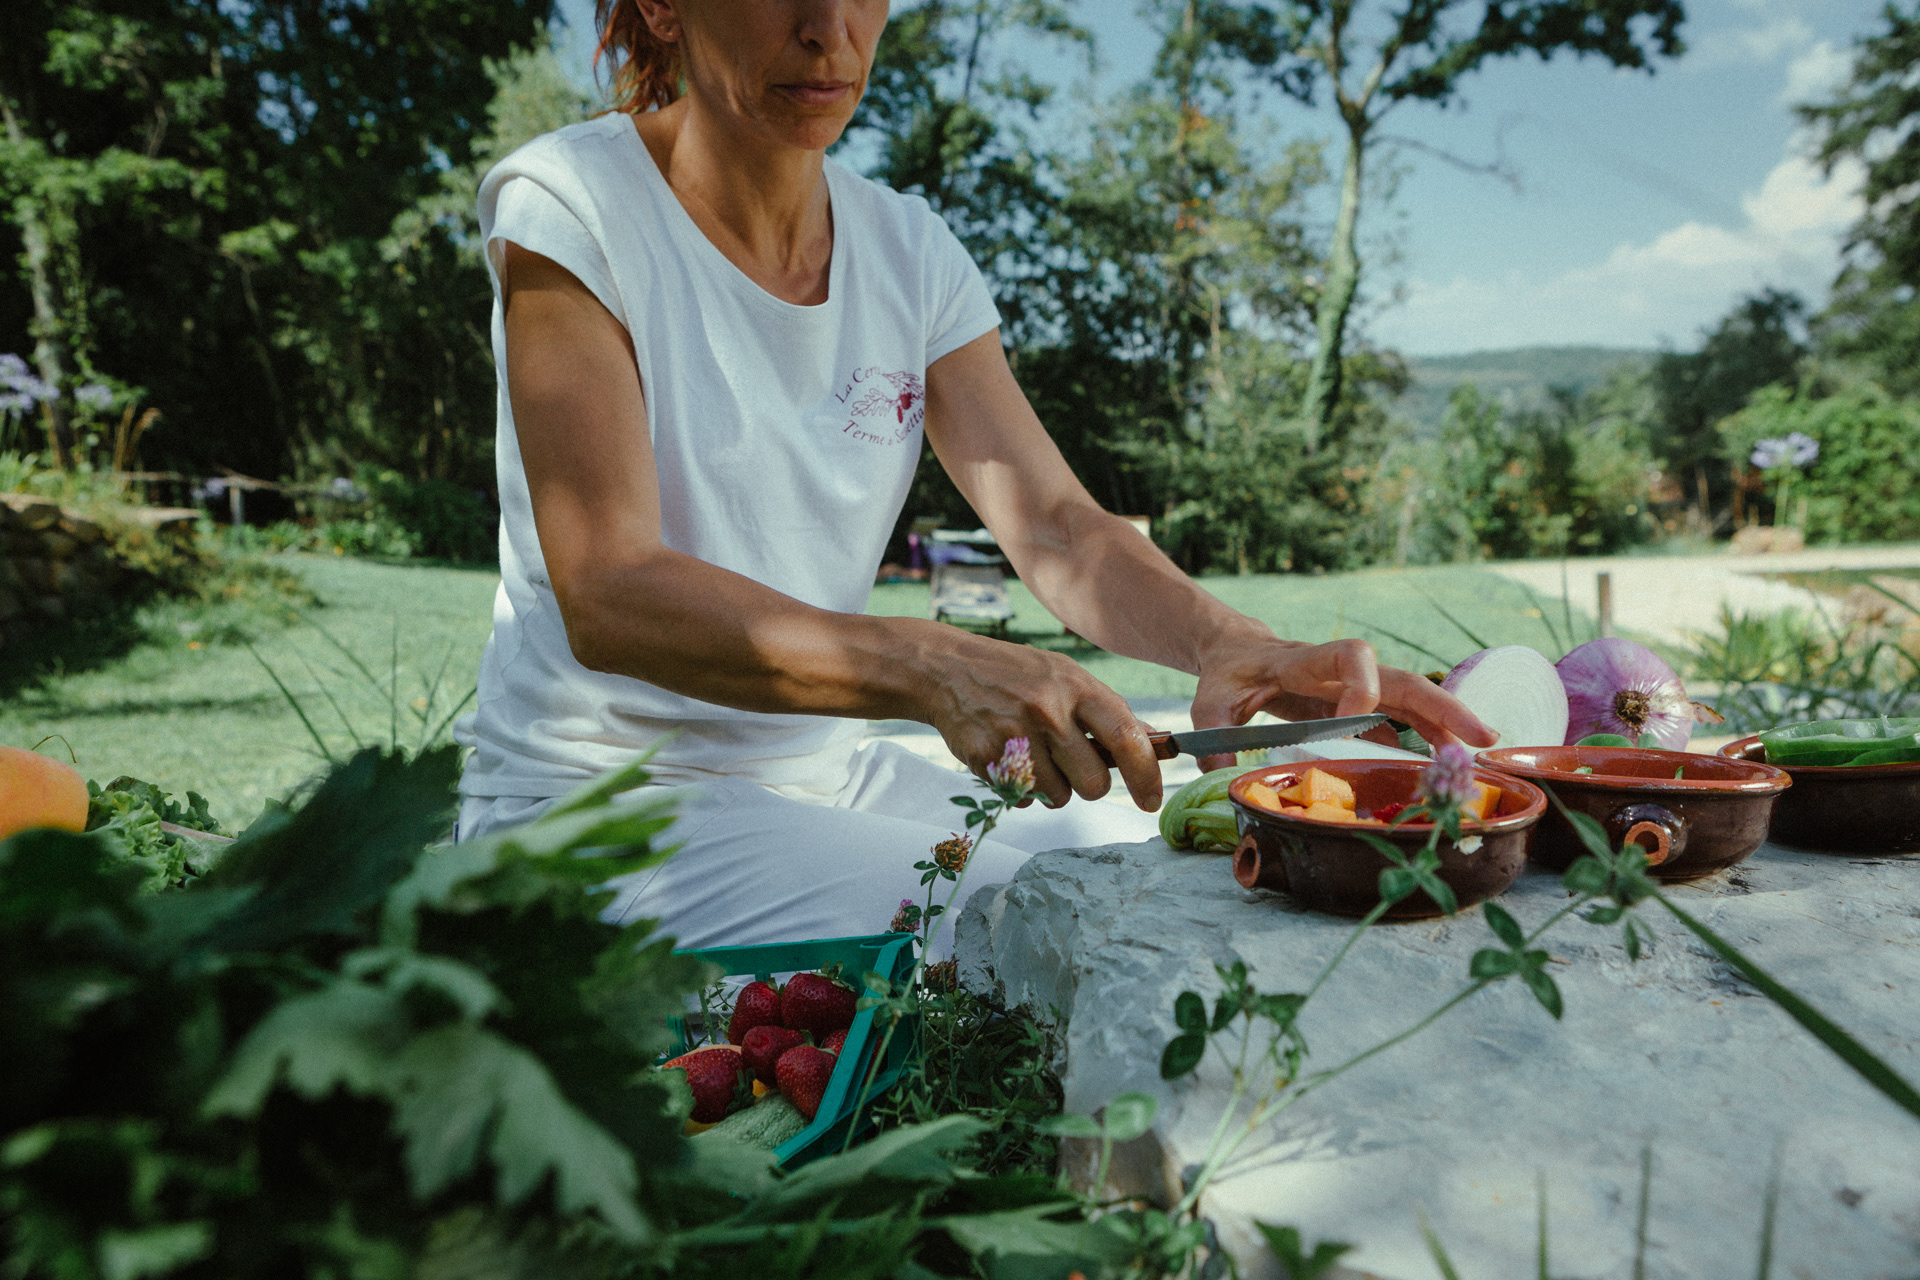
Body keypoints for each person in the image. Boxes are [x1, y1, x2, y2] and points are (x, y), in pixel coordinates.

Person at [453, 0, 1494, 951]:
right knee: (1057, 929)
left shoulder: (906, 249)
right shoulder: (575, 203)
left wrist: (1233, 643)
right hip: (598, 811)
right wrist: (931, 662)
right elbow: (611, 590)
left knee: (1200, 857)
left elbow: (1055, 525)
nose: (828, 26)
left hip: (829, 777)